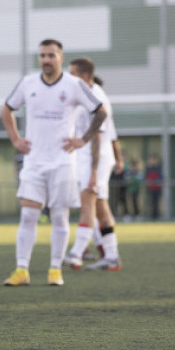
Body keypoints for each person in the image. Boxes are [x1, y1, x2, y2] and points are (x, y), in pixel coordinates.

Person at [1, 39, 106, 287]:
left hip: (62, 162)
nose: (46, 60)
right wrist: (15, 139)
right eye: (42, 56)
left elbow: (100, 112)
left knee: (59, 217)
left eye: (51, 55)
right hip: (34, 162)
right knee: (28, 215)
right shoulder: (28, 83)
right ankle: (21, 270)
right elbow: (7, 109)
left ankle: (55, 270)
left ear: (61, 57)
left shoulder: (74, 85)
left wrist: (83, 139)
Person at [63, 58, 122, 271]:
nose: (69, 79)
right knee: (100, 207)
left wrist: (94, 171)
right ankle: (112, 256)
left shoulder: (95, 97)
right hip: (92, 157)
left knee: (87, 202)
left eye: (73, 74)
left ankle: (76, 253)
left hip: (93, 158)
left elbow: (98, 136)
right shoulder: (90, 93)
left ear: (85, 76)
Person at [145, 154, 163, 220]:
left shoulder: (159, 168)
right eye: (151, 159)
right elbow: (146, 177)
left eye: (154, 159)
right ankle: (152, 216)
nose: (153, 161)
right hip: (150, 188)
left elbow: (161, 178)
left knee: (156, 202)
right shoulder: (148, 168)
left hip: (157, 189)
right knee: (151, 202)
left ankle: (156, 216)